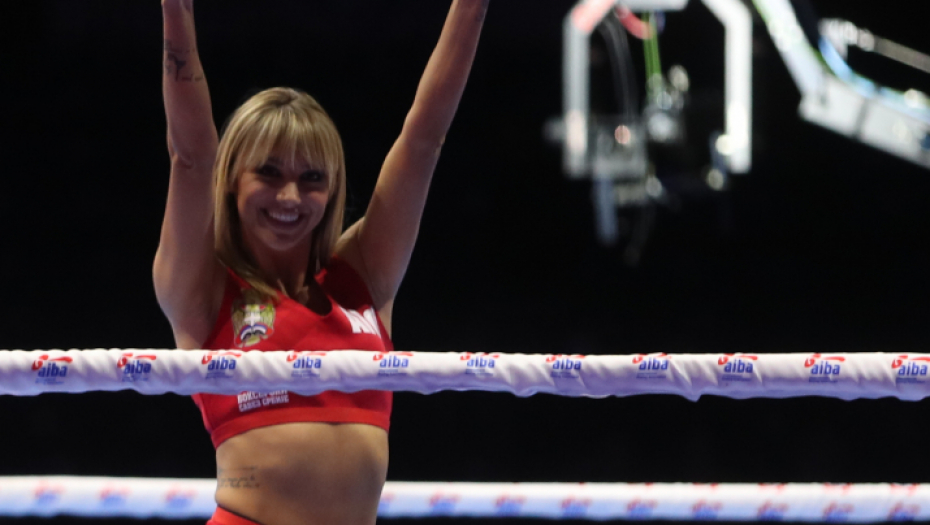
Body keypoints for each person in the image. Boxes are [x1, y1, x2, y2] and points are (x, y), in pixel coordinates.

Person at [153, 1, 489, 524]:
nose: (290, 196)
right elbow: (191, 157)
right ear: (233, 179)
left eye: (312, 178)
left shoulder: (364, 274)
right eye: (268, 173)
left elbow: (424, 138)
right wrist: (176, 11)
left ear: (332, 191)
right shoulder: (202, 289)